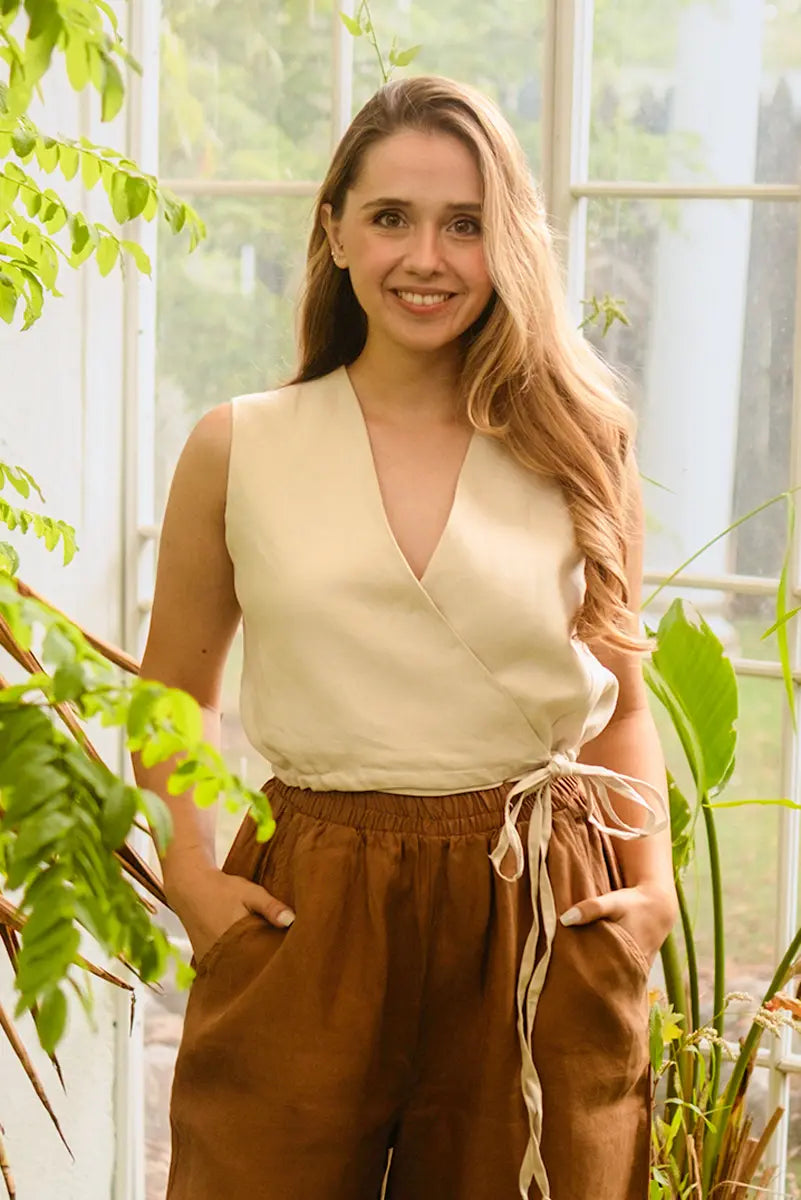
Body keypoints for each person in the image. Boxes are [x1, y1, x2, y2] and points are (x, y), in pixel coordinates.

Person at [136, 74, 677, 1200]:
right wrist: (191, 875)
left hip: (537, 900)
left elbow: (622, 701)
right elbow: (173, 694)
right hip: (313, 899)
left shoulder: (580, 444)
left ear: (506, 244)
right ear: (334, 229)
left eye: (464, 224)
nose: (425, 257)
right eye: (391, 218)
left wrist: (651, 895)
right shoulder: (239, 448)